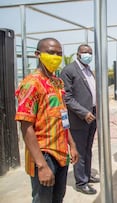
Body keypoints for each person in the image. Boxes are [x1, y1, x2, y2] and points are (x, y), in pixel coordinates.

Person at [15, 37, 79, 202]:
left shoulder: (57, 83)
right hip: (44, 154)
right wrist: (41, 165)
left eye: (59, 53)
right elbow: (26, 126)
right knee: (43, 199)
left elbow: (63, 116)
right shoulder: (31, 84)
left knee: (58, 198)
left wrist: (72, 145)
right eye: (51, 53)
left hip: (61, 152)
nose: (56, 57)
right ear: (38, 54)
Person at [60, 44, 99, 195]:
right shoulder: (69, 71)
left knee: (88, 148)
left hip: (92, 115)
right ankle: (81, 182)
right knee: (79, 150)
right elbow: (67, 97)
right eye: (84, 52)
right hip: (79, 118)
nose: (87, 55)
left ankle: (87, 175)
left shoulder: (89, 70)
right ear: (77, 54)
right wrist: (83, 112)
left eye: (90, 52)